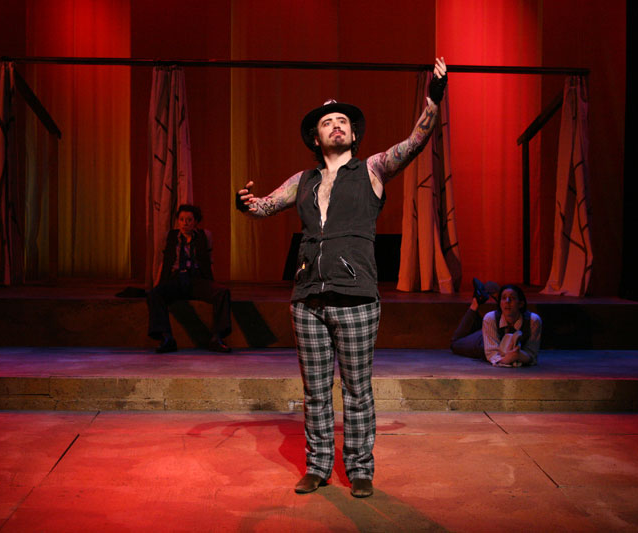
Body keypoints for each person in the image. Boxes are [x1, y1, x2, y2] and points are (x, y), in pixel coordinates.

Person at [236, 57, 448, 498]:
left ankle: (360, 468)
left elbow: (415, 142)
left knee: (356, 390)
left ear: (353, 134)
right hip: (307, 298)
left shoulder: (372, 169)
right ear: (316, 138)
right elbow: (264, 207)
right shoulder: (303, 180)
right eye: (328, 122)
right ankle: (317, 466)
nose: (336, 125)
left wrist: (433, 99)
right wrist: (246, 204)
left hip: (356, 296)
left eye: (343, 122)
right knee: (315, 392)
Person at [147, 204, 232, 353]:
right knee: (155, 294)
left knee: (222, 292)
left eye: (189, 220)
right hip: (176, 278)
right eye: (181, 220)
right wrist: (157, 283)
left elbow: (209, 261)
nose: (185, 223)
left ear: (195, 222)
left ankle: (217, 338)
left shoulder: (205, 236)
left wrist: (212, 282)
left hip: (196, 278)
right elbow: (164, 262)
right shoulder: (171, 236)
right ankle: (166, 338)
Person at [451, 282, 542, 367]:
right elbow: (492, 353)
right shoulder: (491, 318)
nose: (507, 301)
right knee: (455, 344)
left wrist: (518, 355)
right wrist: (506, 360)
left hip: (498, 336)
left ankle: (478, 320)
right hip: (484, 341)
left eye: (512, 298)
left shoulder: (533, 320)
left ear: (521, 303)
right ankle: (475, 303)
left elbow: (532, 353)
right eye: (503, 298)